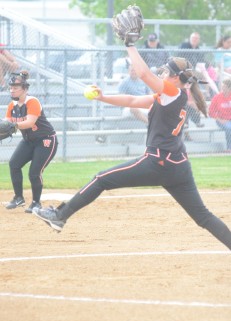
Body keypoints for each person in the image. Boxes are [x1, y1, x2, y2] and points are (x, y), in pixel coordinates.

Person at [33, 45, 231, 250]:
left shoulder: (173, 92)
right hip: (178, 166)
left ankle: (59, 216)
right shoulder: (170, 96)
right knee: (203, 217)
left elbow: (144, 73)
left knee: (101, 179)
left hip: (158, 162)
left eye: (165, 72)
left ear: (174, 77)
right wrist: (103, 97)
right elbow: (133, 100)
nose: (161, 74)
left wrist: (130, 45)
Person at [4, 70, 58, 213]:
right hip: (29, 141)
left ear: (25, 89)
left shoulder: (32, 101)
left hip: (46, 140)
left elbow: (29, 122)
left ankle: (36, 203)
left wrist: (11, 126)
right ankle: (18, 197)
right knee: (14, 164)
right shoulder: (12, 106)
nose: (12, 90)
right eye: (11, 87)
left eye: (16, 87)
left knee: (34, 172)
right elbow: (6, 125)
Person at [118, 59, 151, 124]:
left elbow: (150, 95)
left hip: (143, 105)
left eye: (135, 70)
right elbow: (122, 99)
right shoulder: (124, 82)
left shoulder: (143, 81)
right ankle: (149, 124)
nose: (133, 72)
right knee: (134, 108)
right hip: (129, 108)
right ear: (128, 71)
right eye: (132, 70)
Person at [209, 78, 231, 152]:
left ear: (229, 88)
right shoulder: (217, 97)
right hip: (221, 120)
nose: (222, 88)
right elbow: (211, 112)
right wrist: (220, 119)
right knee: (229, 128)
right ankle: (229, 148)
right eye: (222, 87)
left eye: (224, 87)